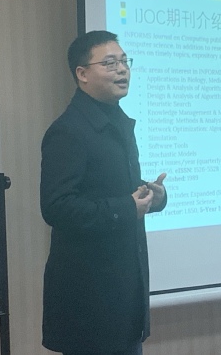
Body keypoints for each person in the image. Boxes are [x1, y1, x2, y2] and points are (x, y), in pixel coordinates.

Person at [40, 30, 167, 355]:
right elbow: (56, 207)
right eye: (110, 63)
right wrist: (126, 208)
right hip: (89, 304)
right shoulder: (68, 131)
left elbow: (114, 189)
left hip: (124, 296)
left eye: (124, 61)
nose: (122, 70)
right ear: (82, 74)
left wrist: (153, 197)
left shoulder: (118, 123)